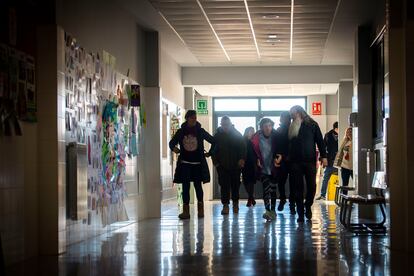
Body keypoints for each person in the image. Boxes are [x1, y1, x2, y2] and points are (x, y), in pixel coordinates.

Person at [169, 110, 214, 220]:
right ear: (187, 118)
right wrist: (175, 149)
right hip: (185, 164)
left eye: (195, 117)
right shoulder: (181, 132)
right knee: (186, 187)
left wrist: (210, 153)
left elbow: (213, 140)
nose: (194, 119)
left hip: (198, 164)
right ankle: (186, 212)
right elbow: (171, 143)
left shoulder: (200, 131)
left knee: (198, 186)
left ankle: (200, 210)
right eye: (192, 117)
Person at [288, 105, 327, 223]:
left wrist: (324, 156)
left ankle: (308, 205)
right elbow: (287, 143)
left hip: (310, 161)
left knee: (312, 187)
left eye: (293, 113)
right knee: (298, 188)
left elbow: (320, 141)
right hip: (295, 162)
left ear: (299, 112)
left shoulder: (312, 125)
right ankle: (300, 212)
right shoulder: (291, 126)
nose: (291, 116)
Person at [212, 116, 246, 215]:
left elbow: (243, 149)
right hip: (222, 166)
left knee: (235, 186)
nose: (225, 126)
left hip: (236, 166)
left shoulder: (237, 135)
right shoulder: (217, 136)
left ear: (231, 124)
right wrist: (216, 163)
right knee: (224, 186)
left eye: (227, 124)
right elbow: (213, 151)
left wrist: (242, 159)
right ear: (221, 125)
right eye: (223, 125)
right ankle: (225, 206)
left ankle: (235, 204)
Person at [251, 118, 282, 221]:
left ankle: (273, 211)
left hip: (274, 168)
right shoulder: (256, 138)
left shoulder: (276, 136)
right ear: (261, 127)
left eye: (269, 126)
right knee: (266, 190)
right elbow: (253, 152)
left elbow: (281, 149)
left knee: (273, 190)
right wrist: (256, 160)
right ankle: (267, 210)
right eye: (265, 126)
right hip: (263, 168)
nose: (268, 128)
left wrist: (279, 157)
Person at [275, 111, 296, 214]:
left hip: (291, 160)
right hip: (283, 160)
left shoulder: (293, 129)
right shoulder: (279, 130)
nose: (284, 120)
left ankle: (291, 203)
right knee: (281, 182)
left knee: (292, 183)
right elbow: (276, 145)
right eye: (282, 118)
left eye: (285, 118)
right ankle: (283, 199)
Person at [316, 122, 339, 200]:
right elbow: (322, 147)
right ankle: (322, 195)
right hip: (330, 161)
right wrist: (321, 158)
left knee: (341, 179)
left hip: (339, 162)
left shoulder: (342, 134)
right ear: (335, 128)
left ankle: (341, 195)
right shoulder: (328, 135)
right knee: (325, 178)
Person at [334, 127, 353, 193]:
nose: (349, 133)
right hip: (345, 166)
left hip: (353, 166)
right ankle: (344, 201)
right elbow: (340, 152)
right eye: (348, 132)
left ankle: (357, 199)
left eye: (351, 132)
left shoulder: (356, 141)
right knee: (344, 185)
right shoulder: (345, 141)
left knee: (357, 184)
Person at [242, 127, 257, 207]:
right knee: (246, 182)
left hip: (252, 164)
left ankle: (250, 199)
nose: (252, 133)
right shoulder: (243, 140)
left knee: (251, 182)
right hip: (245, 163)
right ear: (247, 132)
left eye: (253, 132)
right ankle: (251, 198)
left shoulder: (254, 141)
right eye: (251, 131)